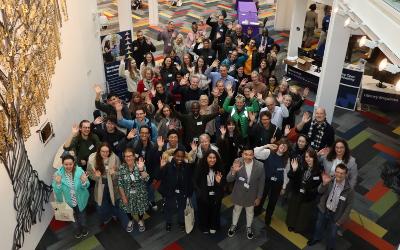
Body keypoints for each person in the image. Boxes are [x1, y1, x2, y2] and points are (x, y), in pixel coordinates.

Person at [307, 164, 354, 250]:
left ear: (346, 174)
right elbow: (319, 191)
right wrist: (324, 184)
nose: (339, 175)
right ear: (335, 172)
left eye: (342, 173)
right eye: (337, 172)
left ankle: (330, 247)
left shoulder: (349, 190)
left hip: (336, 215)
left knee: (332, 234)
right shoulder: (329, 180)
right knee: (318, 226)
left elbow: (348, 207)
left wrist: (340, 221)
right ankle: (316, 238)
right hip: (324, 210)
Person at [227, 146, 265, 239]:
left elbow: (261, 182)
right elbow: (228, 179)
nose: (248, 157)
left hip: (252, 195)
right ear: (242, 154)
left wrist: (259, 197)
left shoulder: (260, 165)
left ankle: (248, 227)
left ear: (253, 155)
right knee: (236, 210)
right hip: (239, 193)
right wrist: (233, 172)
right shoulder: (237, 161)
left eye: (250, 155)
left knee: (250, 212)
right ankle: (233, 225)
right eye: (246, 154)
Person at [52, 154, 90, 238]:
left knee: (82, 215)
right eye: (66, 164)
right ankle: (77, 229)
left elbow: (87, 185)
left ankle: (83, 227)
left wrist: (84, 182)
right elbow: (56, 192)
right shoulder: (57, 174)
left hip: (80, 200)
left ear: (74, 163)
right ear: (62, 164)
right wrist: (58, 184)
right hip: (67, 202)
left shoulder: (79, 171)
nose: (68, 166)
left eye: (70, 164)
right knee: (71, 218)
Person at [253, 139, 290, 224]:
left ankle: (268, 217)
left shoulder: (287, 159)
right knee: (261, 197)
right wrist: (267, 146)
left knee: (273, 201)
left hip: (277, 183)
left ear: (287, 149)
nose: (283, 147)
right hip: (266, 180)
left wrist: (284, 187)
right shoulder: (268, 152)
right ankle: (257, 211)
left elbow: (286, 174)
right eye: (282, 144)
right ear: (278, 144)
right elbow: (255, 152)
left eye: (285, 146)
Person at [286, 148, 322, 233]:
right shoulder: (301, 166)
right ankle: (291, 225)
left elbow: (317, 186)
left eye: (310, 157)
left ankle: (298, 228)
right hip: (297, 192)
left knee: (303, 213)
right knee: (293, 210)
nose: (308, 159)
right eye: (306, 157)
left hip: (308, 197)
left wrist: (309, 191)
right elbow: (290, 176)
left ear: (314, 158)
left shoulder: (318, 171)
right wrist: (294, 170)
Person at [159, 148, 194, 232]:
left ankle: (181, 222)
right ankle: (168, 222)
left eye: (182, 157)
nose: (179, 158)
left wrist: (189, 193)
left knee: (182, 208)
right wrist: (161, 167)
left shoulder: (187, 166)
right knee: (169, 208)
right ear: (174, 156)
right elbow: (160, 177)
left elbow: (190, 180)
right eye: (177, 156)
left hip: (182, 192)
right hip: (170, 192)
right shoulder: (168, 165)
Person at [87, 143, 121, 226]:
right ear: (99, 151)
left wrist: (114, 173)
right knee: (102, 203)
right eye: (103, 151)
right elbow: (89, 173)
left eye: (107, 152)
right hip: (100, 184)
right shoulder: (92, 160)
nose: (105, 154)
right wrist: (96, 176)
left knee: (115, 200)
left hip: (113, 183)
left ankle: (115, 214)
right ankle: (106, 217)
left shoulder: (115, 158)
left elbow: (120, 172)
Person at [118, 148, 150, 232]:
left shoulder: (140, 165)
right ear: (124, 157)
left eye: (130, 156)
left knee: (141, 209)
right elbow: (120, 184)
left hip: (140, 194)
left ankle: (140, 220)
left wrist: (141, 169)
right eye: (126, 156)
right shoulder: (121, 168)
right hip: (127, 194)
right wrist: (123, 197)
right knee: (127, 209)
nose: (128, 158)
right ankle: (131, 220)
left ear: (134, 156)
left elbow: (147, 178)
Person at [193, 150, 225, 234]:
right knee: (203, 210)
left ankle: (213, 225)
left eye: (214, 158)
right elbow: (195, 182)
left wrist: (218, 182)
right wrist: (199, 193)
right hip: (203, 192)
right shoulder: (200, 167)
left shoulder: (220, 168)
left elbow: (224, 183)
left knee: (215, 210)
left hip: (216, 191)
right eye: (210, 157)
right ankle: (204, 226)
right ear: (206, 158)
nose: (212, 160)